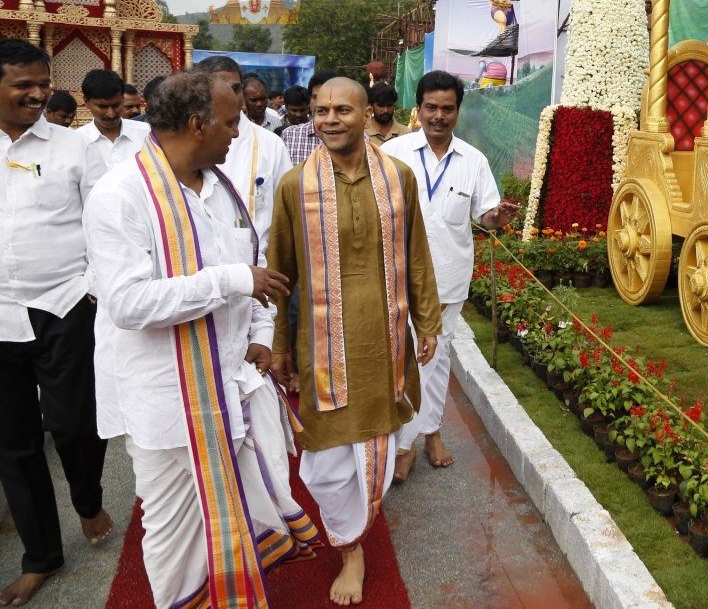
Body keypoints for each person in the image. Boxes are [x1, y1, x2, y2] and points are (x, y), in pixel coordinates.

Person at [86, 71, 317, 608]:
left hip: (230, 379)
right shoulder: (120, 196)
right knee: (175, 534)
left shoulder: (217, 184)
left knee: (235, 510)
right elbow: (128, 303)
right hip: (167, 400)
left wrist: (260, 333)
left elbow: (251, 260)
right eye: (230, 122)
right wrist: (234, 282)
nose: (238, 134)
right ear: (196, 124)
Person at [269, 77, 442, 606]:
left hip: (383, 346)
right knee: (323, 464)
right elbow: (280, 273)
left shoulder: (399, 178)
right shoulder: (295, 185)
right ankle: (350, 543)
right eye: (320, 110)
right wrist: (278, 345)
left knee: (376, 449)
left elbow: (416, 254)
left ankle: (353, 547)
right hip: (321, 350)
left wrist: (428, 321)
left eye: (342, 109)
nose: (329, 119)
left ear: (367, 114)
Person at [0, 38, 111, 607]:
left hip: (65, 305)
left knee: (72, 426)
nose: (38, 94)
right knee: (14, 442)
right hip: (0, 318)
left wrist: (91, 291)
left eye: (43, 84)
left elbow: (103, 222)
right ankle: (41, 555)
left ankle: (88, 499)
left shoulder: (74, 148)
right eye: (24, 85)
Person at [382, 71, 520, 479]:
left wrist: (499, 217)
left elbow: (486, 215)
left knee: (434, 358)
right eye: (431, 108)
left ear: (458, 111)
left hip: (448, 277)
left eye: (447, 108)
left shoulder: (473, 160)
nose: (438, 116)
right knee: (403, 357)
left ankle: (415, 441)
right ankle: (419, 434)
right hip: (397, 276)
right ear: (418, 109)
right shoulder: (394, 153)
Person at [192, 57, 293, 256]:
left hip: (256, 272)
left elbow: (287, 214)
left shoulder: (270, 144)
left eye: (235, 89)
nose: (230, 96)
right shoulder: (188, 141)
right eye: (220, 89)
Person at [76, 69, 150, 169]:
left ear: (122, 99)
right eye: (102, 107)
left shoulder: (147, 133)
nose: (111, 114)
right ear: (86, 103)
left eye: (116, 105)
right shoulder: (77, 140)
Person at [280, 70, 339, 165]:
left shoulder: (358, 139)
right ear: (310, 103)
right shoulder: (290, 135)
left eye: (328, 96)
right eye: (316, 97)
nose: (321, 102)